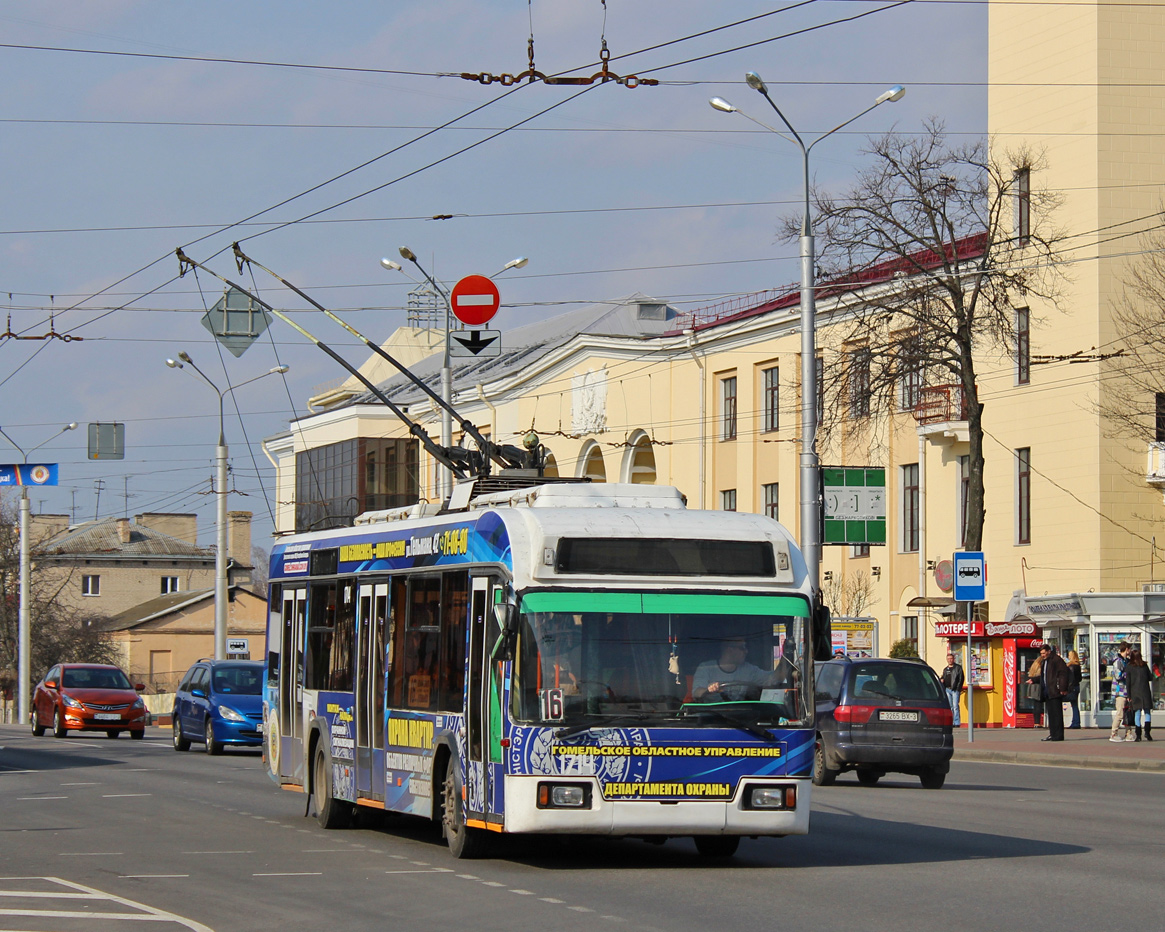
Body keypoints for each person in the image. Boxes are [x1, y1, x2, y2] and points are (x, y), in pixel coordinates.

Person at [692, 638, 775, 701]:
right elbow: (696, 692)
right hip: (710, 717)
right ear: (730, 650)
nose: (746, 651)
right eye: (742, 648)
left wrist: (784, 658)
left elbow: (774, 678)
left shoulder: (748, 670)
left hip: (740, 718)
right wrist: (709, 690)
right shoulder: (706, 668)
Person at [1038, 642, 1070, 741]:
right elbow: (1044, 675)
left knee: (1057, 714)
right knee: (1051, 714)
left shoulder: (1056, 660)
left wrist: (1062, 688)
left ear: (1048, 651)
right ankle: (1052, 733)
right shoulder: (1045, 661)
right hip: (1047, 690)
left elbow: (1063, 674)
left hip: (1055, 690)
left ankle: (1058, 735)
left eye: (1044, 653)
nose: (1042, 655)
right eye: (1041, 653)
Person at [1126, 648, 1154, 742]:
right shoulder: (1144, 665)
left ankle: (1138, 735)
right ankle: (1148, 733)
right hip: (1145, 692)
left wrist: (1129, 696)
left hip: (1135, 693)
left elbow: (1128, 682)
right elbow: (1150, 677)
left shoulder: (1129, 667)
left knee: (1137, 713)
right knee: (1147, 713)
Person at [1109, 641, 1133, 743]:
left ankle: (1129, 733)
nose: (1130, 651)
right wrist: (1127, 674)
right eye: (1129, 649)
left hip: (1126, 691)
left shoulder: (1126, 661)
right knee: (1120, 713)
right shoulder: (1118, 661)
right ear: (1126, 649)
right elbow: (1118, 675)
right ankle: (1113, 733)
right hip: (1120, 691)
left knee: (1127, 713)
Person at [940, 652, 964, 727]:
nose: (950, 660)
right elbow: (943, 677)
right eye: (948, 659)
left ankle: (956, 722)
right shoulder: (945, 669)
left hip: (955, 689)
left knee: (955, 706)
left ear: (954, 659)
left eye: (951, 658)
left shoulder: (958, 668)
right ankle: (951, 722)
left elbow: (961, 678)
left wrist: (958, 688)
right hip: (947, 689)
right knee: (950, 706)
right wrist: (942, 680)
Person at [1066, 650, 1083, 729]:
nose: (1068, 657)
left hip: (1072, 687)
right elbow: (1079, 678)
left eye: (1069, 655)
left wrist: (1068, 687)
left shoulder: (1071, 666)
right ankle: (1076, 722)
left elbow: (1071, 679)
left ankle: (1075, 723)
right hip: (1076, 686)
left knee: (1074, 705)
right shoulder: (1078, 666)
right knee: (1075, 705)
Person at [1027, 654, 1045, 728]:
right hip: (1038, 686)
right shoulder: (1041, 666)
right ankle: (1038, 723)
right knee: (1039, 704)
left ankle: (1036, 722)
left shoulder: (1034, 666)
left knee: (1036, 704)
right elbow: (1041, 677)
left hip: (1033, 687)